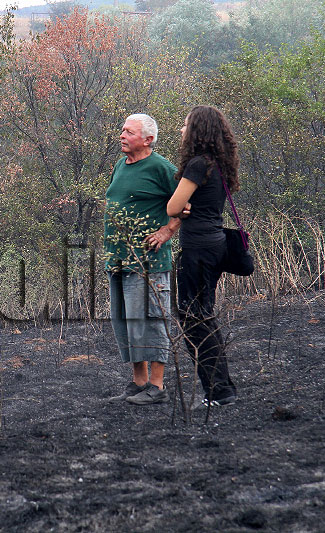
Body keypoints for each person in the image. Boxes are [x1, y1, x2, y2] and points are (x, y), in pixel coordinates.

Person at [104, 114, 181, 405]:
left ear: (148, 140)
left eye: (129, 132)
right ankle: (138, 384)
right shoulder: (120, 166)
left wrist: (167, 231)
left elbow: (187, 205)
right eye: (122, 130)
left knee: (151, 320)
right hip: (119, 260)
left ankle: (157, 387)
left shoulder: (162, 167)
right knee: (126, 322)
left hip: (148, 262)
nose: (122, 135)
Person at [167, 105, 239, 408]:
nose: (181, 130)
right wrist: (185, 206)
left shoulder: (198, 165)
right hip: (215, 245)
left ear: (197, 131)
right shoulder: (218, 164)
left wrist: (180, 206)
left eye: (185, 125)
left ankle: (219, 391)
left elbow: (172, 207)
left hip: (198, 249)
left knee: (194, 319)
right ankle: (220, 388)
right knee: (203, 316)